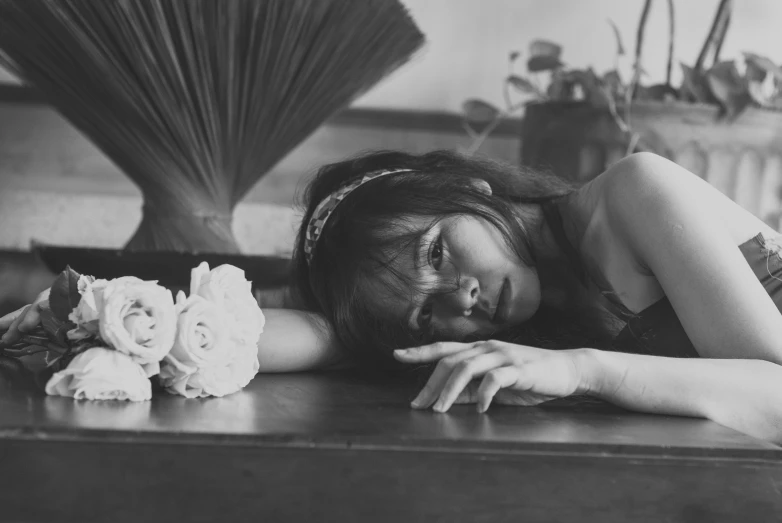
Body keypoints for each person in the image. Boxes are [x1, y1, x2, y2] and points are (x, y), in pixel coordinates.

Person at [3, 150, 782, 443]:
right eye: (425, 308)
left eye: (438, 251)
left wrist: (583, 368)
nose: (461, 301)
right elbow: (316, 334)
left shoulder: (636, 196)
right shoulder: (509, 322)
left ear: (469, 188)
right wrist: (100, 317)